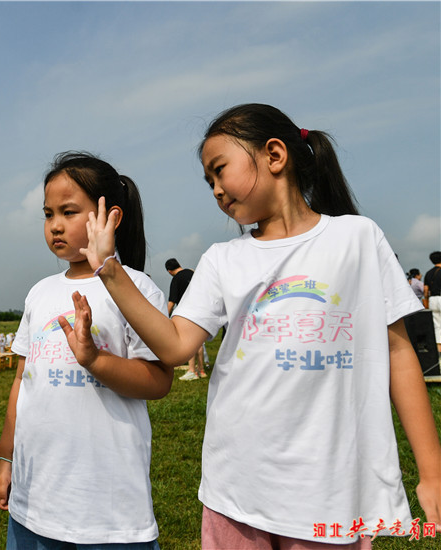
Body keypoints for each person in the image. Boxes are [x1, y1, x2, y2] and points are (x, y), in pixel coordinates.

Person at [76, 104, 441, 548]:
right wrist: (110, 270)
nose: (215, 190)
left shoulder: (358, 239)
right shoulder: (222, 259)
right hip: (236, 490)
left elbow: (398, 354)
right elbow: (174, 346)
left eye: (219, 170)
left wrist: (432, 472)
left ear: (274, 155)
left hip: (331, 492)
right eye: (208, 181)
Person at [0, 152, 172, 549]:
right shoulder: (39, 293)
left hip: (108, 509)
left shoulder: (137, 290)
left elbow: (159, 380)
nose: (55, 225)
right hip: (35, 499)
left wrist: (95, 359)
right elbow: (23, 380)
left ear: (111, 218)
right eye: (48, 213)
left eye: (69, 212)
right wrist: (6, 457)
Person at [165, 258, 205, 380]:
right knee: (199, 343)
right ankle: (202, 370)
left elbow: (171, 302)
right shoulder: (193, 273)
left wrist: (165, 317)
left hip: (187, 312)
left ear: (169, 271)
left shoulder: (176, 279)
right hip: (200, 309)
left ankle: (192, 370)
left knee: (189, 341)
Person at [424, 251, 441, 352]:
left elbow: (425, 290)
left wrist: (426, 300)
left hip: (432, 300)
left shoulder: (428, 273)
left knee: (437, 326)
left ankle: (439, 353)